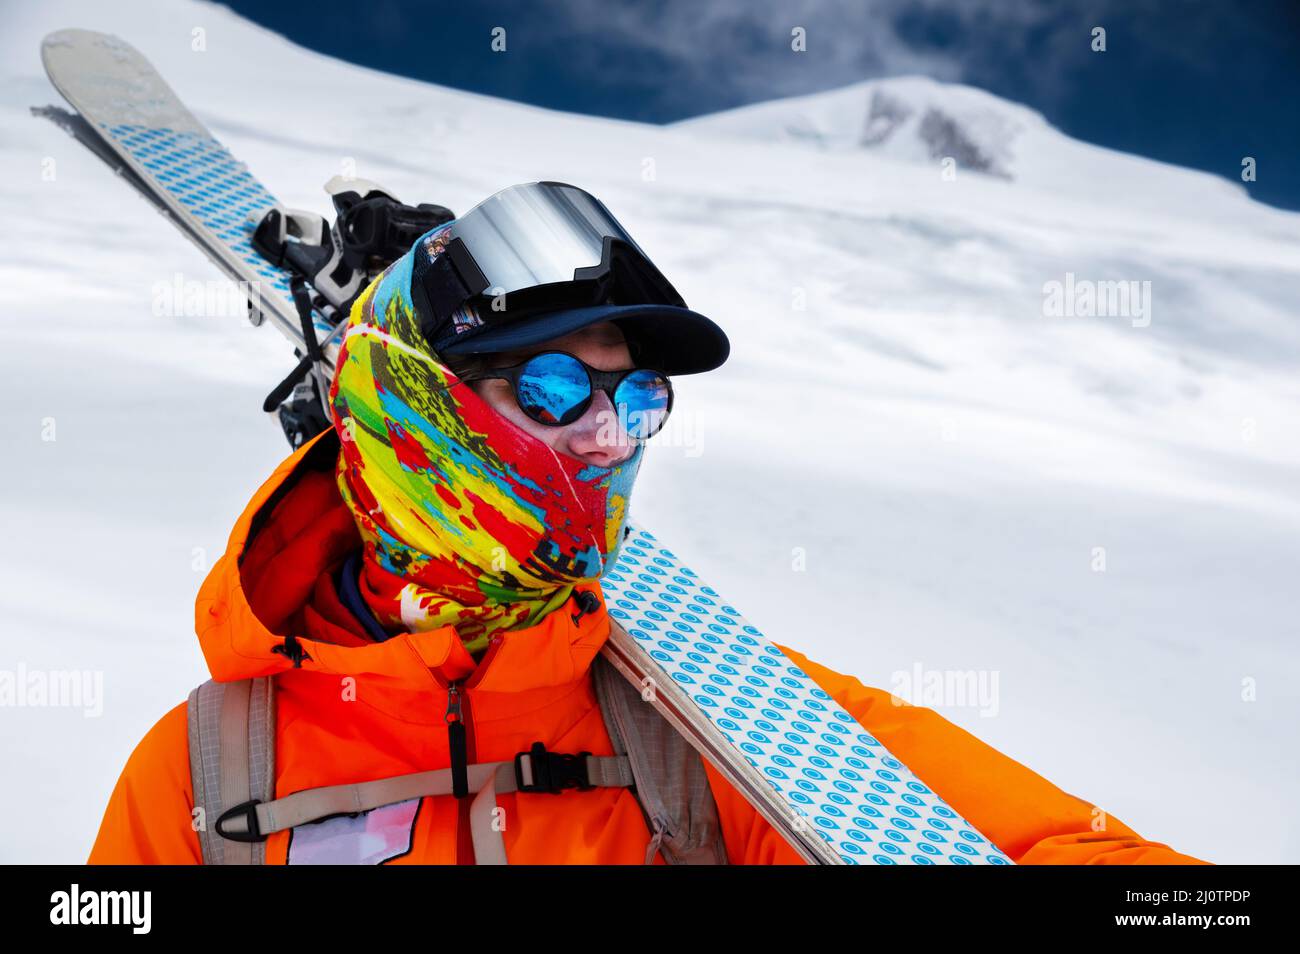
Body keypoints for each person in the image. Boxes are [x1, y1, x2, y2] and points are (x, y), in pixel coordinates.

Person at [87, 182, 1208, 865]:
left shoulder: (717, 720)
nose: (610, 442)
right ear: (413, 406)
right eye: (557, 392)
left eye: (634, 399)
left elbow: (1032, 844)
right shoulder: (207, 775)